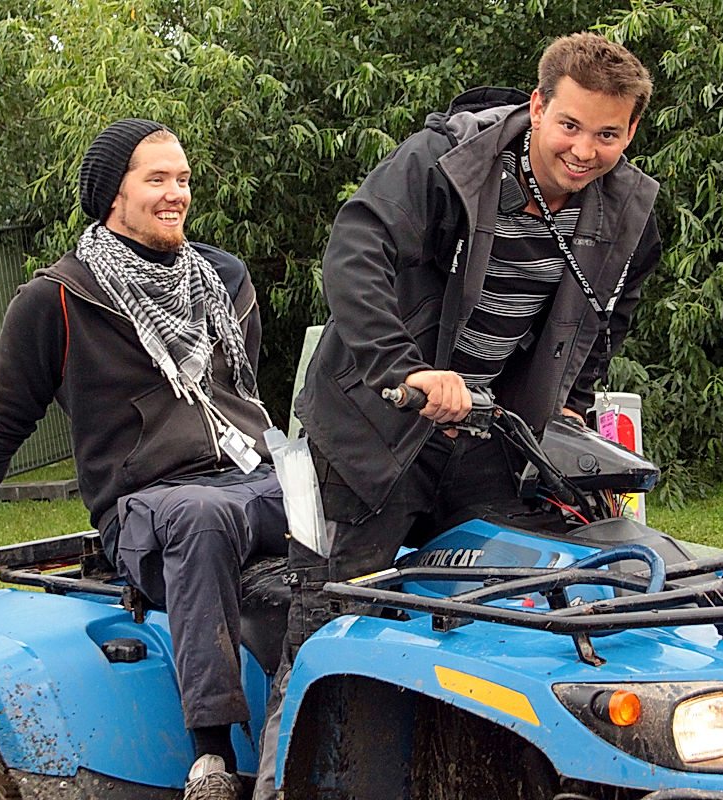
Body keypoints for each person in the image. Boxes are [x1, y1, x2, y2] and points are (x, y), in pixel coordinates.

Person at [254, 32, 659, 797]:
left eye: (608, 134)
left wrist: (572, 399)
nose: (584, 150)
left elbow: (614, 309)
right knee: (339, 613)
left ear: (631, 131)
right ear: (537, 106)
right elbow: (353, 252)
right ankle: (285, 782)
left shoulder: (630, 210)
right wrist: (404, 368)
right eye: (569, 125)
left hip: (489, 437)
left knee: (512, 604)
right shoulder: (445, 164)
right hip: (374, 427)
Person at [0, 118, 286, 800]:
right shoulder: (58, 300)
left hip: (248, 475)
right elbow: (0, 423)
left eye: (183, 179)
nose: (176, 194)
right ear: (112, 196)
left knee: (341, 483)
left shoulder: (223, 278)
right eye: (156, 179)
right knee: (199, 516)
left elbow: (240, 391)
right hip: (150, 503)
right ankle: (213, 755)